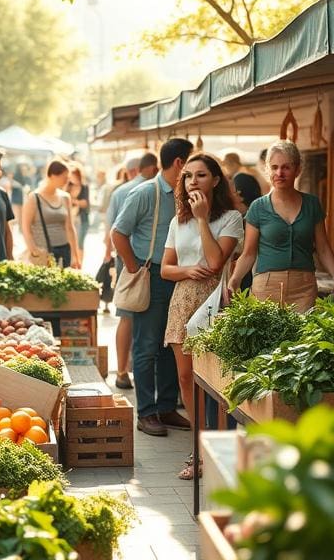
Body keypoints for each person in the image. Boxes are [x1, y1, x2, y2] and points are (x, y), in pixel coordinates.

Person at [160, 153, 243, 478]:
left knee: (215, 381)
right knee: (186, 378)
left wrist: (202, 219)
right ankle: (200, 447)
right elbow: (166, 269)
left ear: (216, 180)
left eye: (201, 175)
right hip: (183, 300)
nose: (193, 181)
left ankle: (217, 451)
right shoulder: (176, 220)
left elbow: (216, 262)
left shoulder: (231, 218)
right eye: (188, 176)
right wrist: (187, 270)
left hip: (215, 303)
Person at [112, 138, 194, 436]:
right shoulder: (146, 192)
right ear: (179, 163)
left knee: (171, 344)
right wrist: (135, 267)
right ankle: (146, 413)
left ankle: (166, 407)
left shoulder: (185, 194)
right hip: (154, 274)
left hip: (179, 276)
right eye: (191, 163)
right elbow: (118, 233)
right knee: (146, 346)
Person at [227, 140, 334, 311]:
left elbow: (323, 248)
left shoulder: (312, 204)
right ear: (268, 170)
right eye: (274, 167)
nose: (279, 173)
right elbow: (248, 253)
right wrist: (235, 280)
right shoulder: (258, 207)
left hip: (304, 287)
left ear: (298, 169)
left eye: (286, 167)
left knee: (304, 336)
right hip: (267, 287)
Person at [104, 151, 159, 389]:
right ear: (150, 168)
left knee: (126, 316)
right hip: (142, 264)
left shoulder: (120, 191)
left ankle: (122, 371)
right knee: (146, 318)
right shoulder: (153, 191)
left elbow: (112, 229)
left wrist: (116, 258)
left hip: (127, 263)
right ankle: (142, 370)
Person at [21, 160, 81, 268]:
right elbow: (25, 227)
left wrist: (76, 256)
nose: (67, 181)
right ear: (53, 175)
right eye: (65, 178)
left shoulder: (65, 197)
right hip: (44, 252)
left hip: (64, 250)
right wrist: (33, 250)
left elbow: (70, 228)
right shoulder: (34, 198)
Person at [67, 163, 90, 253]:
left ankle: (79, 264)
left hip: (81, 218)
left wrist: (72, 201)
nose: (72, 178)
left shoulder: (84, 187)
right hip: (70, 219)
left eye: (74, 176)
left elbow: (85, 203)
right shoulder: (67, 187)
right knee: (70, 244)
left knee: (79, 244)